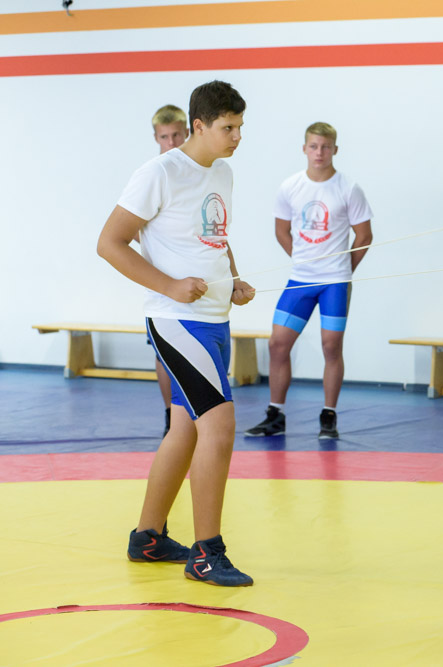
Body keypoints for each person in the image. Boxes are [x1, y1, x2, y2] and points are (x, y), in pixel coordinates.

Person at [97, 80, 256, 586]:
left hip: (214, 317)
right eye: (228, 128)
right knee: (220, 424)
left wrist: (233, 278)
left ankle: (148, 537)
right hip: (175, 319)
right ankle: (207, 553)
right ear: (200, 126)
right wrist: (167, 284)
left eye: (240, 128)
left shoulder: (223, 171)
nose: (236, 138)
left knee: (186, 428)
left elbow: (214, 236)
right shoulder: (159, 172)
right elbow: (110, 243)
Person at [244, 122, 373, 439]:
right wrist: (300, 259)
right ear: (304, 148)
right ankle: (275, 414)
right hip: (300, 280)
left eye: (326, 147)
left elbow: (364, 236)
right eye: (314, 146)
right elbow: (281, 230)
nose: (319, 152)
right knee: (277, 344)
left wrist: (343, 271)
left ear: (335, 150)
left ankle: (328, 416)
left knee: (331, 346)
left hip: (335, 283)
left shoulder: (348, 187)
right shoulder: (290, 186)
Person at [149, 104, 191, 435]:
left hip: (198, 288)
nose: (172, 142)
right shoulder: (153, 174)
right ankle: (169, 415)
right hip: (163, 289)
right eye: (165, 137)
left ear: (187, 132)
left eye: (177, 134)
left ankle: (186, 415)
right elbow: (125, 232)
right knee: (165, 357)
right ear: (156, 139)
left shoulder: (202, 173)